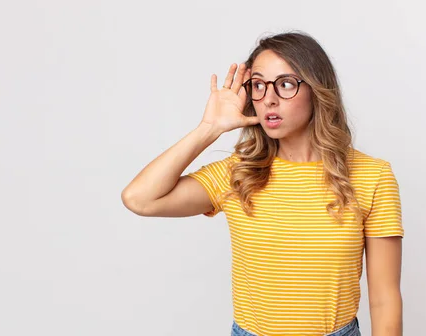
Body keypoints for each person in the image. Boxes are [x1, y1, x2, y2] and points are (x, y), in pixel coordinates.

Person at [121, 31, 403, 336]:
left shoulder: (372, 175)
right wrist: (209, 128)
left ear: (318, 90)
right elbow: (139, 198)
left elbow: (384, 300)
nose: (268, 99)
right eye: (258, 85)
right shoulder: (236, 174)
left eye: (285, 84)